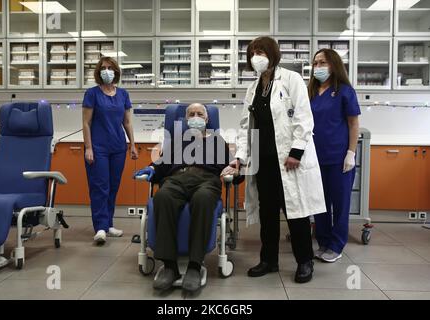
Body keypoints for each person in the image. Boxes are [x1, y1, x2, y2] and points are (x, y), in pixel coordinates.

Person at [223, 36, 326, 283]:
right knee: (268, 213)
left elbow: (304, 118)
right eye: (253, 52)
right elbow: (245, 126)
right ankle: (269, 260)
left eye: (261, 51)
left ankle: (305, 261)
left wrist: (296, 152)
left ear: (273, 54)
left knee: (296, 212)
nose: (257, 56)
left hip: (288, 160)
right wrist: (240, 157)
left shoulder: (291, 80)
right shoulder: (253, 88)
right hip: (263, 160)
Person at [134, 103, 231, 293]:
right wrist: (151, 169)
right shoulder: (177, 141)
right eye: (191, 114)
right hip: (176, 179)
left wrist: (235, 170)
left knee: (203, 199)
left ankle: (195, 266)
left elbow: (231, 168)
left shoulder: (218, 142)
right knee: (162, 197)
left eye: (199, 114)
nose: (195, 117)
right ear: (186, 120)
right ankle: (170, 267)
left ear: (207, 119)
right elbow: (161, 166)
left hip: (206, 180)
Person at [308, 49, 361, 263]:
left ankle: (337, 245)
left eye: (323, 63)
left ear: (334, 65)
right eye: (316, 63)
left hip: (339, 159)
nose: (318, 67)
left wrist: (351, 153)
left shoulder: (345, 91)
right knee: (319, 204)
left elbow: (353, 123)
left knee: (340, 205)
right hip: (315, 159)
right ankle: (323, 242)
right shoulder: (310, 92)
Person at [82, 56, 138, 245]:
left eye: (110, 67)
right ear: (99, 72)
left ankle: (108, 224)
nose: (107, 70)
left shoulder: (123, 94)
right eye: (104, 68)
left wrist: (132, 144)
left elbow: (127, 122)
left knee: (113, 186)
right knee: (100, 187)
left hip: (118, 147)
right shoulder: (92, 94)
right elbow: (86, 123)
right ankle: (99, 227)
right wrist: (88, 147)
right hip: (98, 147)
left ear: (116, 71)